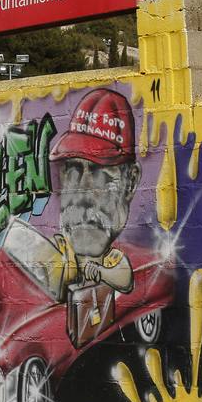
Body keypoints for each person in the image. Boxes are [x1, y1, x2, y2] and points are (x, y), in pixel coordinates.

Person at [50, 88, 141, 296]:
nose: (83, 194)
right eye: (73, 170)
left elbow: (125, 279)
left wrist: (100, 272)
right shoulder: (63, 251)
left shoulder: (114, 259)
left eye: (101, 172)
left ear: (131, 181)